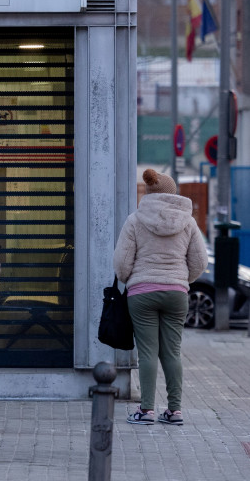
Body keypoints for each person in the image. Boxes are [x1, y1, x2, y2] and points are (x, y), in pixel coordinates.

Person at [114, 169, 207, 426]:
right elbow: (200, 261)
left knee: (147, 352)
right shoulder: (188, 222)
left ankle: (147, 411)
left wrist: (132, 280)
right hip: (177, 294)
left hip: (142, 294)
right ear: (172, 192)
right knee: (172, 352)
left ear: (149, 192)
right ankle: (174, 411)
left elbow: (121, 263)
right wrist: (180, 281)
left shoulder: (135, 220)